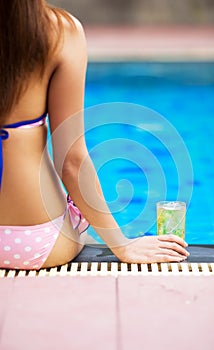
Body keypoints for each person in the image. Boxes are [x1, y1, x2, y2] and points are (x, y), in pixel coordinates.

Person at [0, 0, 189, 270]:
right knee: (81, 228)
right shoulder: (60, 33)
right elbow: (71, 162)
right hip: (31, 242)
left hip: (29, 237)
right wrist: (121, 245)